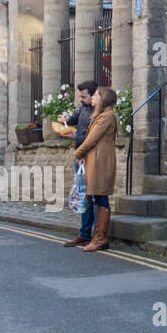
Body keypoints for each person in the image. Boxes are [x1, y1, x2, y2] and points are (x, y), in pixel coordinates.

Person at [73, 86, 119, 253]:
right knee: (97, 197)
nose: (93, 97)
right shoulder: (102, 116)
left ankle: (100, 237)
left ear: (103, 99)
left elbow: (91, 140)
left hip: (101, 162)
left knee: (100, 197)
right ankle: (98, 237)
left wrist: (78, 153)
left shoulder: (106, 117)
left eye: (96, 95)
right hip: (96, 161)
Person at [60, 80, 98, 248]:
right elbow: (74, 119)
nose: (81, 99)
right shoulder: (83, 108)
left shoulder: (98, 112)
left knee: (93, 196)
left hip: (90, 157)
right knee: (82, 195)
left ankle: (96, 234)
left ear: (93, 94)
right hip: (80, 156)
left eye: (84, 96)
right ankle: (84, 234)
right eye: (80, 96)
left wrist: (75, 138)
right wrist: (66, 120)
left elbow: (92, 138)